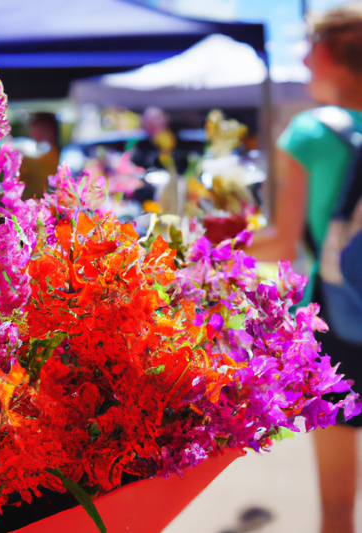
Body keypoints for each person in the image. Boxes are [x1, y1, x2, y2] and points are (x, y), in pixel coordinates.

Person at [248, 4, 362, 532]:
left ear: (331, 56)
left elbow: (281, 243)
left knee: (337, 508)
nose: (301, 58)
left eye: (308, 48)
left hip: (339, 326)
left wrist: (215, 242)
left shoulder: (311, 134)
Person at [19, 112, 60, 200]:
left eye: (36, 126)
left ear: (49, 129)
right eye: (33, 126)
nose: (33, 130)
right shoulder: (42, 151)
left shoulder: (49, 152)